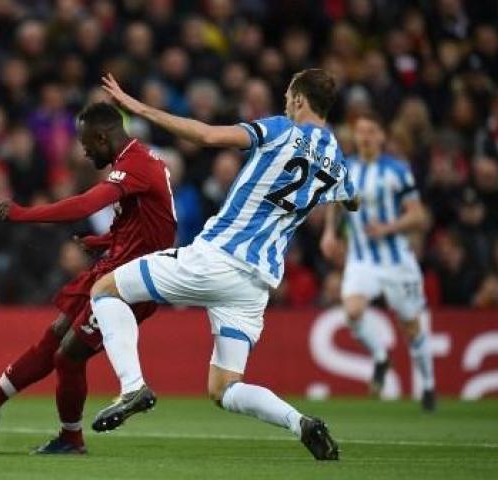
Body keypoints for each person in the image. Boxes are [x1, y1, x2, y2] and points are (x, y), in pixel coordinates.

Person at [89, 69, 356, 461]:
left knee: (105, 289)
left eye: (287, 95)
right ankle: (301, 423)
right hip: (256, 284)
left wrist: (138, 107)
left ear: (299, 100)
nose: (284, 102)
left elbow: (209, 136)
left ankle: (133, 386)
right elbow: (351, 200)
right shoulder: (336, 160)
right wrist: (336, 230)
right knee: (225, 387)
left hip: (218, 258)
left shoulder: (281, 129)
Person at [0, 102, 177, 454]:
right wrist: (106, 241)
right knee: (55, 335)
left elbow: (84, 205)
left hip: (129, 282)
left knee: (68, 356)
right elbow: (156, 222)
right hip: (113, 266)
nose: (84, 150)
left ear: (102, 136)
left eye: (86, 142)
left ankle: (71, 438)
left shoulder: (135, 165)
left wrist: (23, 214)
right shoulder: (138, 160)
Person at [320, 112, 436, 411]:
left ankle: (427, 387)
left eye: (371, 131)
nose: (365, 137)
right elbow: (335, 201)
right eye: (360, 132)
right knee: (353, 311)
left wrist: (387, 228)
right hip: (361, 260)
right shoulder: (347, 168)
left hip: (397, 261)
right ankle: (382, 357)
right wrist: (330, 233)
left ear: (382, 136)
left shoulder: (397, 170)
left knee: (411, 326)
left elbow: (418, 214)